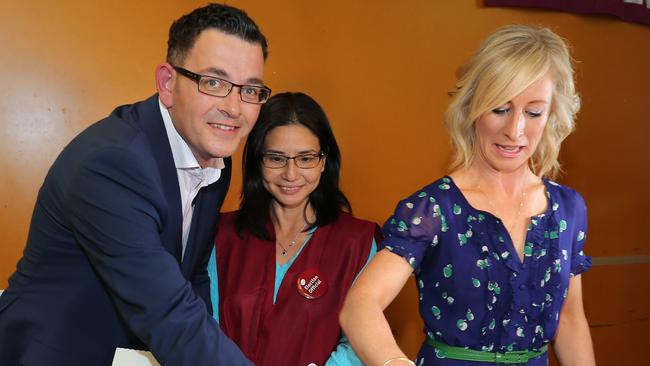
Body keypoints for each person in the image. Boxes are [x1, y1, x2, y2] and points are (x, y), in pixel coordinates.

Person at [0, 3, 270, 365]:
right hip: (53, 350)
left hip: (132, 351)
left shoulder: (216, 153)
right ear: (168, 83)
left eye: (250, 90)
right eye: (214, 82)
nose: (235, 108)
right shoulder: (113, 164)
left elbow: (191, 278)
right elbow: (170, 314)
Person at [340, 25, 596, 366]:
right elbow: (360, 305)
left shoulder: (568, 209)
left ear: (552, 115)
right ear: (472, 106)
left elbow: (570, 320)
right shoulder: (433, 208)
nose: (515, 130)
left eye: (534, 112)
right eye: (500, 109)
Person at [208, 92, 380, 366]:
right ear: (257, 161)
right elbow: (206, 330)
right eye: (276, 158)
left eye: (306, 158)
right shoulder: (223, 236)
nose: (291, 174)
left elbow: (360, 343)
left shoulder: (358, 243)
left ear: (324, 161)